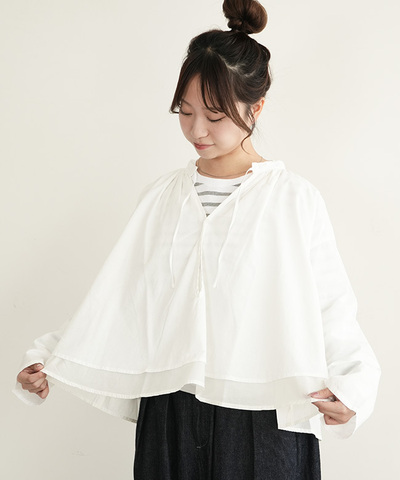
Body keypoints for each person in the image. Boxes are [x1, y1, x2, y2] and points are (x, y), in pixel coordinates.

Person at [14, 1, 380, 478]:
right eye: (185, 112)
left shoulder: (293, 198)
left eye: (214, 114)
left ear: (256, 108)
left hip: (266, 412)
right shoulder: (162, 197)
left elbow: (331, 304)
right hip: (170, 412)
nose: (196, 130)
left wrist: (354, 390)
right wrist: (50, 358)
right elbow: (124, 293)